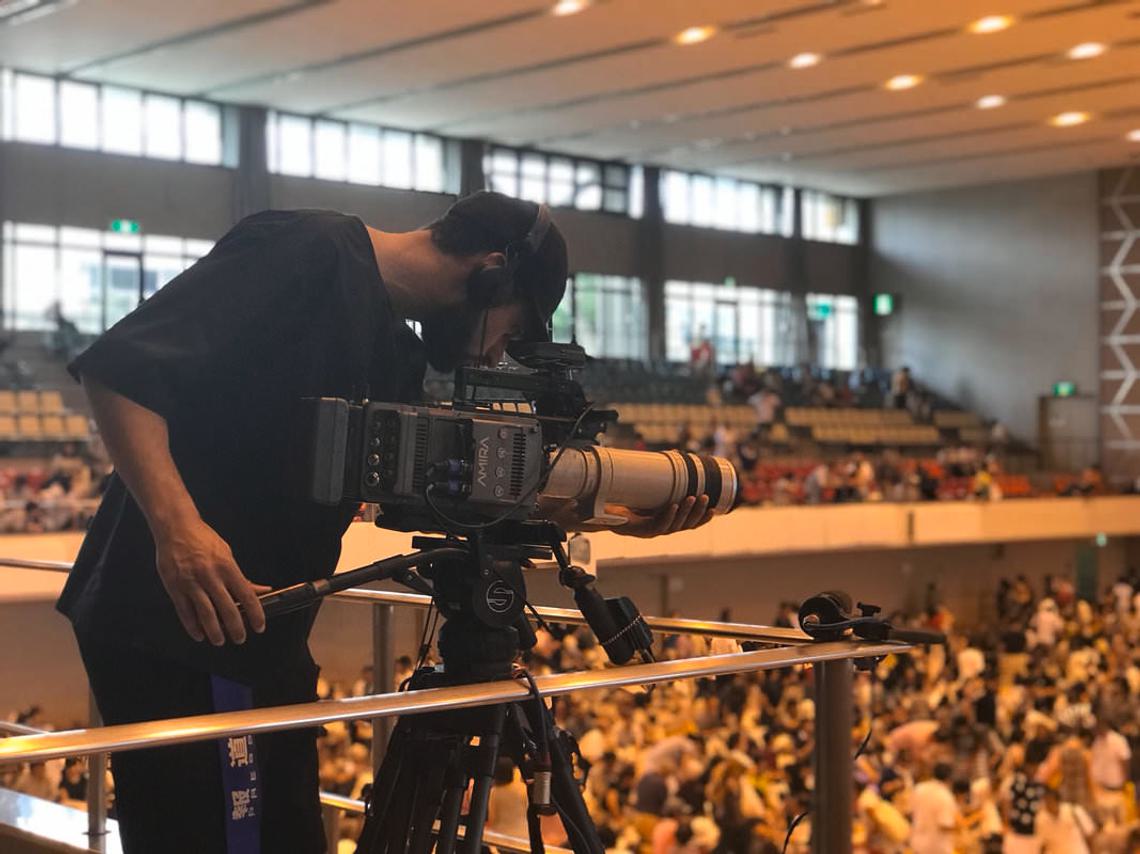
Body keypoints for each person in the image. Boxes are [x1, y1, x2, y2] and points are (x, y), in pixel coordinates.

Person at [59, 194, 714, 854]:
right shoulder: (307, 249)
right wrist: (180, 530)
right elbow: (118, 372)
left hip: (260, 634)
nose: (494, 358)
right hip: (182, 625)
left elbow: (444, 491)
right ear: (491, 273)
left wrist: (608, 513)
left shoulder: (396, 353)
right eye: (511, 335)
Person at [909, 762, 959, 854]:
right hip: (936, 847)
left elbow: (910, 812)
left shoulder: (919, 788)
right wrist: (959, 826)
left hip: (917, 844)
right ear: (949, 778)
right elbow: (945, 824)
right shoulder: (945, 796)